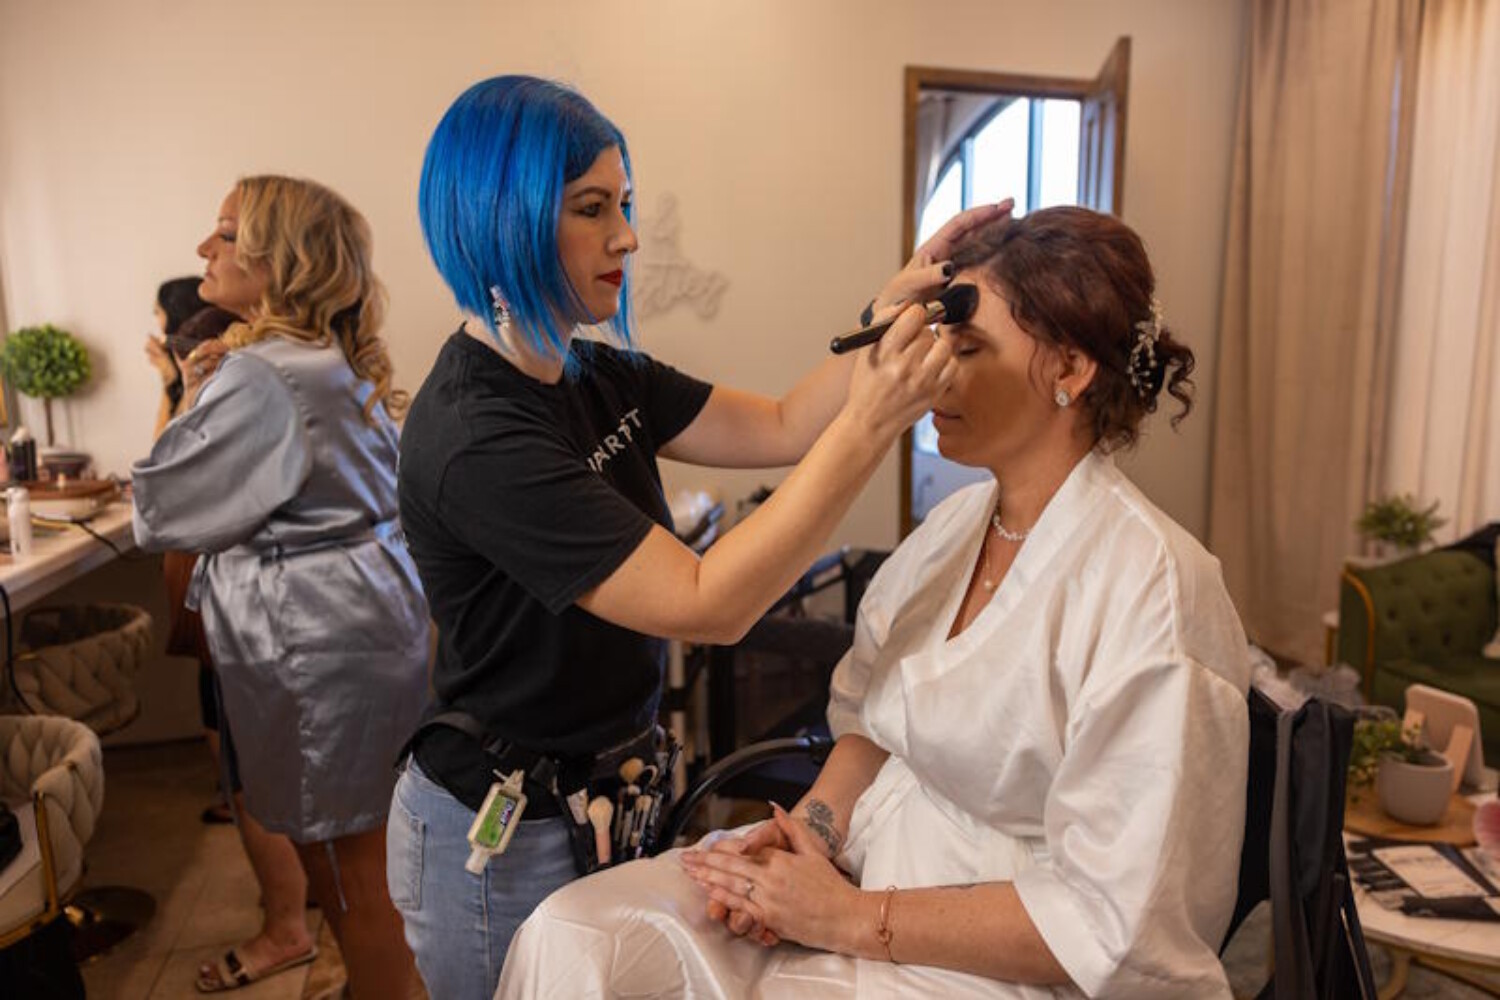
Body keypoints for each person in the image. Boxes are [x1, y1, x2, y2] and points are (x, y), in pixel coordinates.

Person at [498, 207, 1253, 999]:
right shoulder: (956, 528)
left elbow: (1117, 921)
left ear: (1068, 370)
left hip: (995, 959)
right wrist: (809, 839)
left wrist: (848, 919)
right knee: (575, 937)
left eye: (964, 349)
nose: (931, 374)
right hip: (860, 872)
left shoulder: (1153, 590)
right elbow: (870, 726)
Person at [390, 73, 1005, 998]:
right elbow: (705, 604)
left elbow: (785, 424)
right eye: (593, 208)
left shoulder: (593, 372)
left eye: (624, 203)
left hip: (604, 800)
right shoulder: (478, 435)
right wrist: (875, 425)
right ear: (502, 218)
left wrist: (883, 317)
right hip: (501, 829)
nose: (628, 236)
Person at [133, 176, 428, 997]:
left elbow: (163, 508)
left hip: (315, 641)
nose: (205, 248)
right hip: (360, 619)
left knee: (347, 873)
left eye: (225, 232)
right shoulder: (317, 362)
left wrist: (188, 394)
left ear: (276, 260)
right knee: (362, 862)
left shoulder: (263, 374)